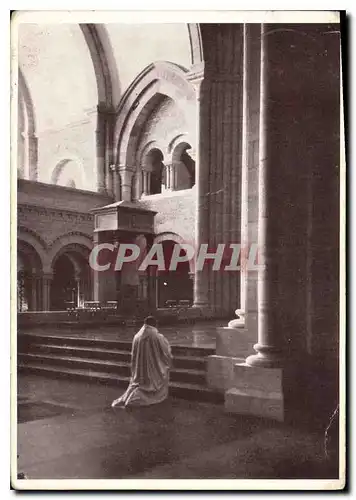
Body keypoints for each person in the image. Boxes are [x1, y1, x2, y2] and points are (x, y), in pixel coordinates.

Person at [111, 316, 172, 408]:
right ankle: (136, 397)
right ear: (154, 324)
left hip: (140, 369)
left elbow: (134, 355)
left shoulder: (137, 336)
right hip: (153, 370)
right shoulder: (157, 336)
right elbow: (166, 352)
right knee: (156, 381)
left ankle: (130, 396)